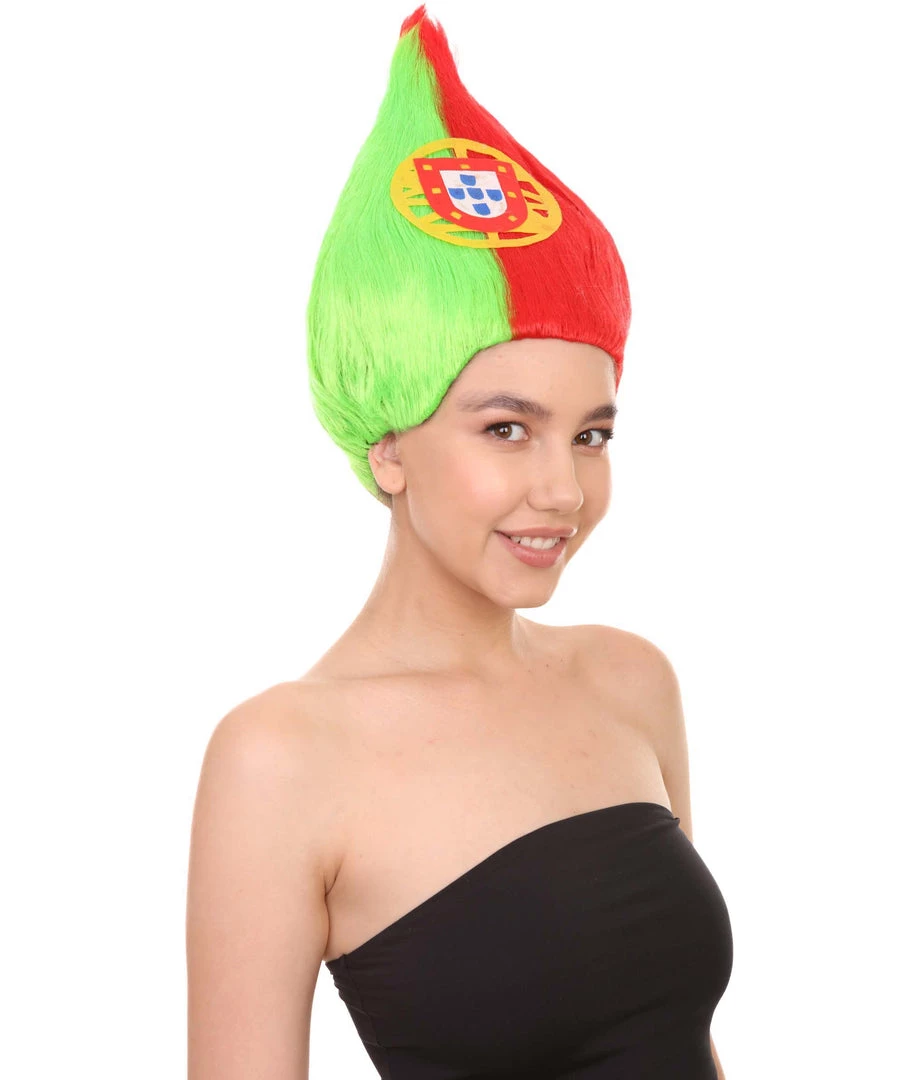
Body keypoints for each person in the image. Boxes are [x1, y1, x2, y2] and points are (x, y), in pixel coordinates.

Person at [186, 7, 733, 1078]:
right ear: (387, 447)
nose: (562, 489)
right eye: (505, 429)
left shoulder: (630, 681)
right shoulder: (280, 758)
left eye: (590, 435)